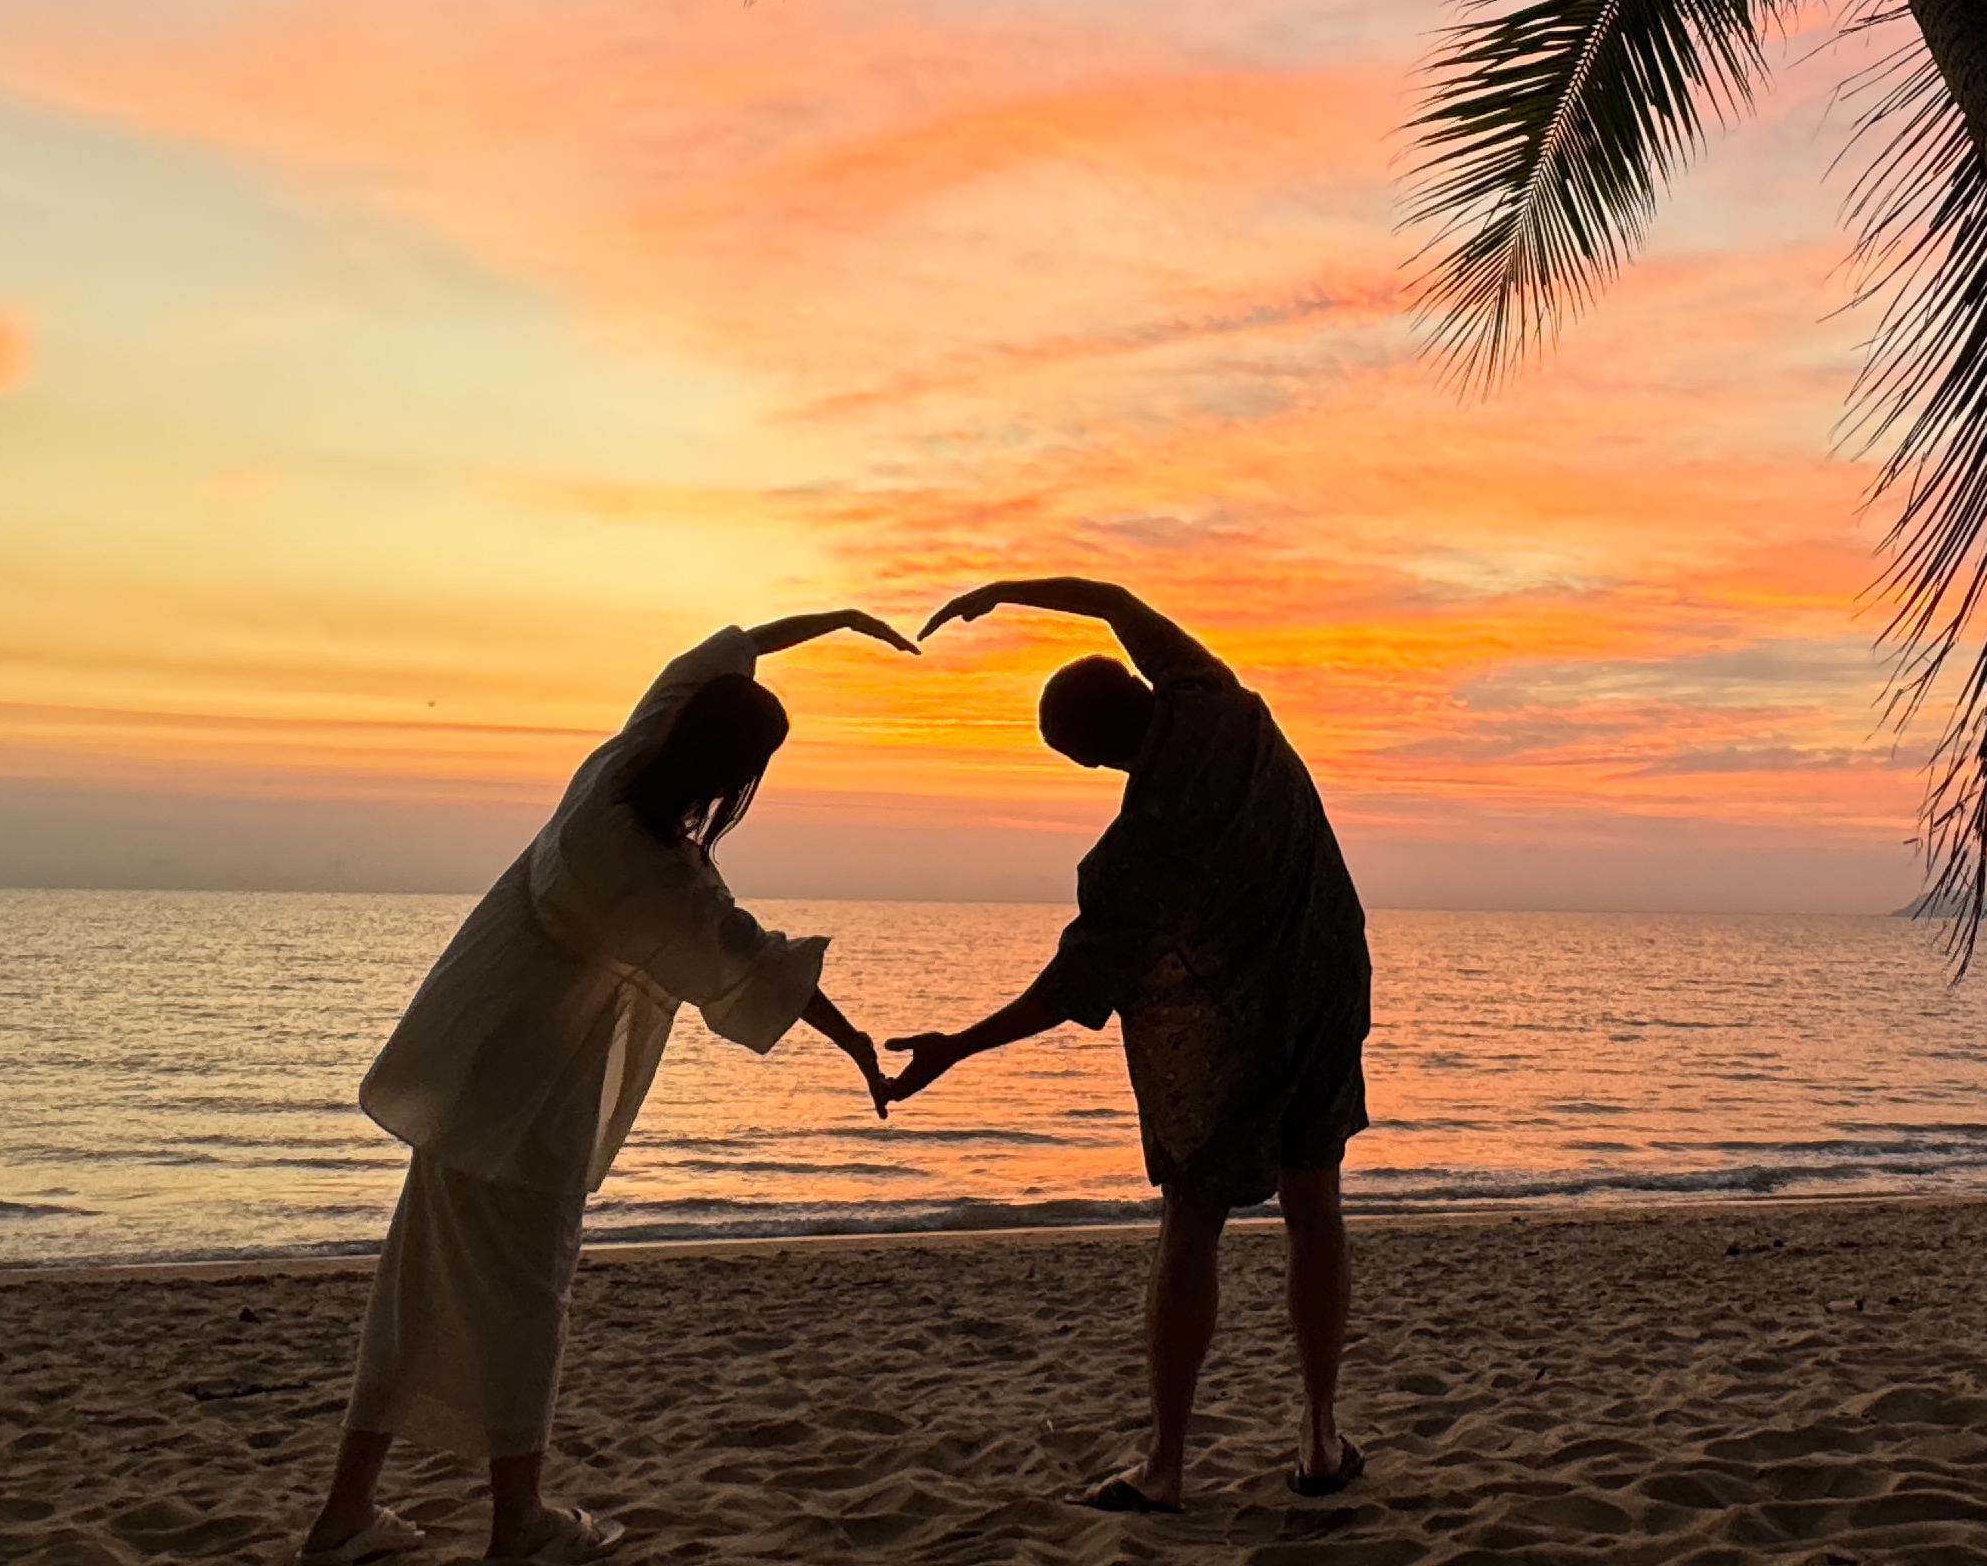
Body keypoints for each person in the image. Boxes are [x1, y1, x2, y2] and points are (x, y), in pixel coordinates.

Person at [299, 611, 915, 1565]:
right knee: (528, 1298)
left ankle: (347, 1511)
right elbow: (758, 970)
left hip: (468, 1065)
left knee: (416, 1289)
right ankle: (519, 1522)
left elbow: (719, 653)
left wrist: (832, 622)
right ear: (734, 782)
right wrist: (858, 1047)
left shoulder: (612, 778)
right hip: (533, 1101)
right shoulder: (660, 879)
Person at [883, 579, 1371, 1514]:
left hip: (1236, 1037)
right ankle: (1318, 1438)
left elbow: (1068, 990)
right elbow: (1111, 597)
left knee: (1192, 1220)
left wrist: (955, 1047)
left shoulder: (1135, 853)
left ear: (1088, 761)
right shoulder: (1217, 702)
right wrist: (1007, 593)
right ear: (1136, 683)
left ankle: (1168, 1465)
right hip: (1326, 986)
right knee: (1317, 1203)